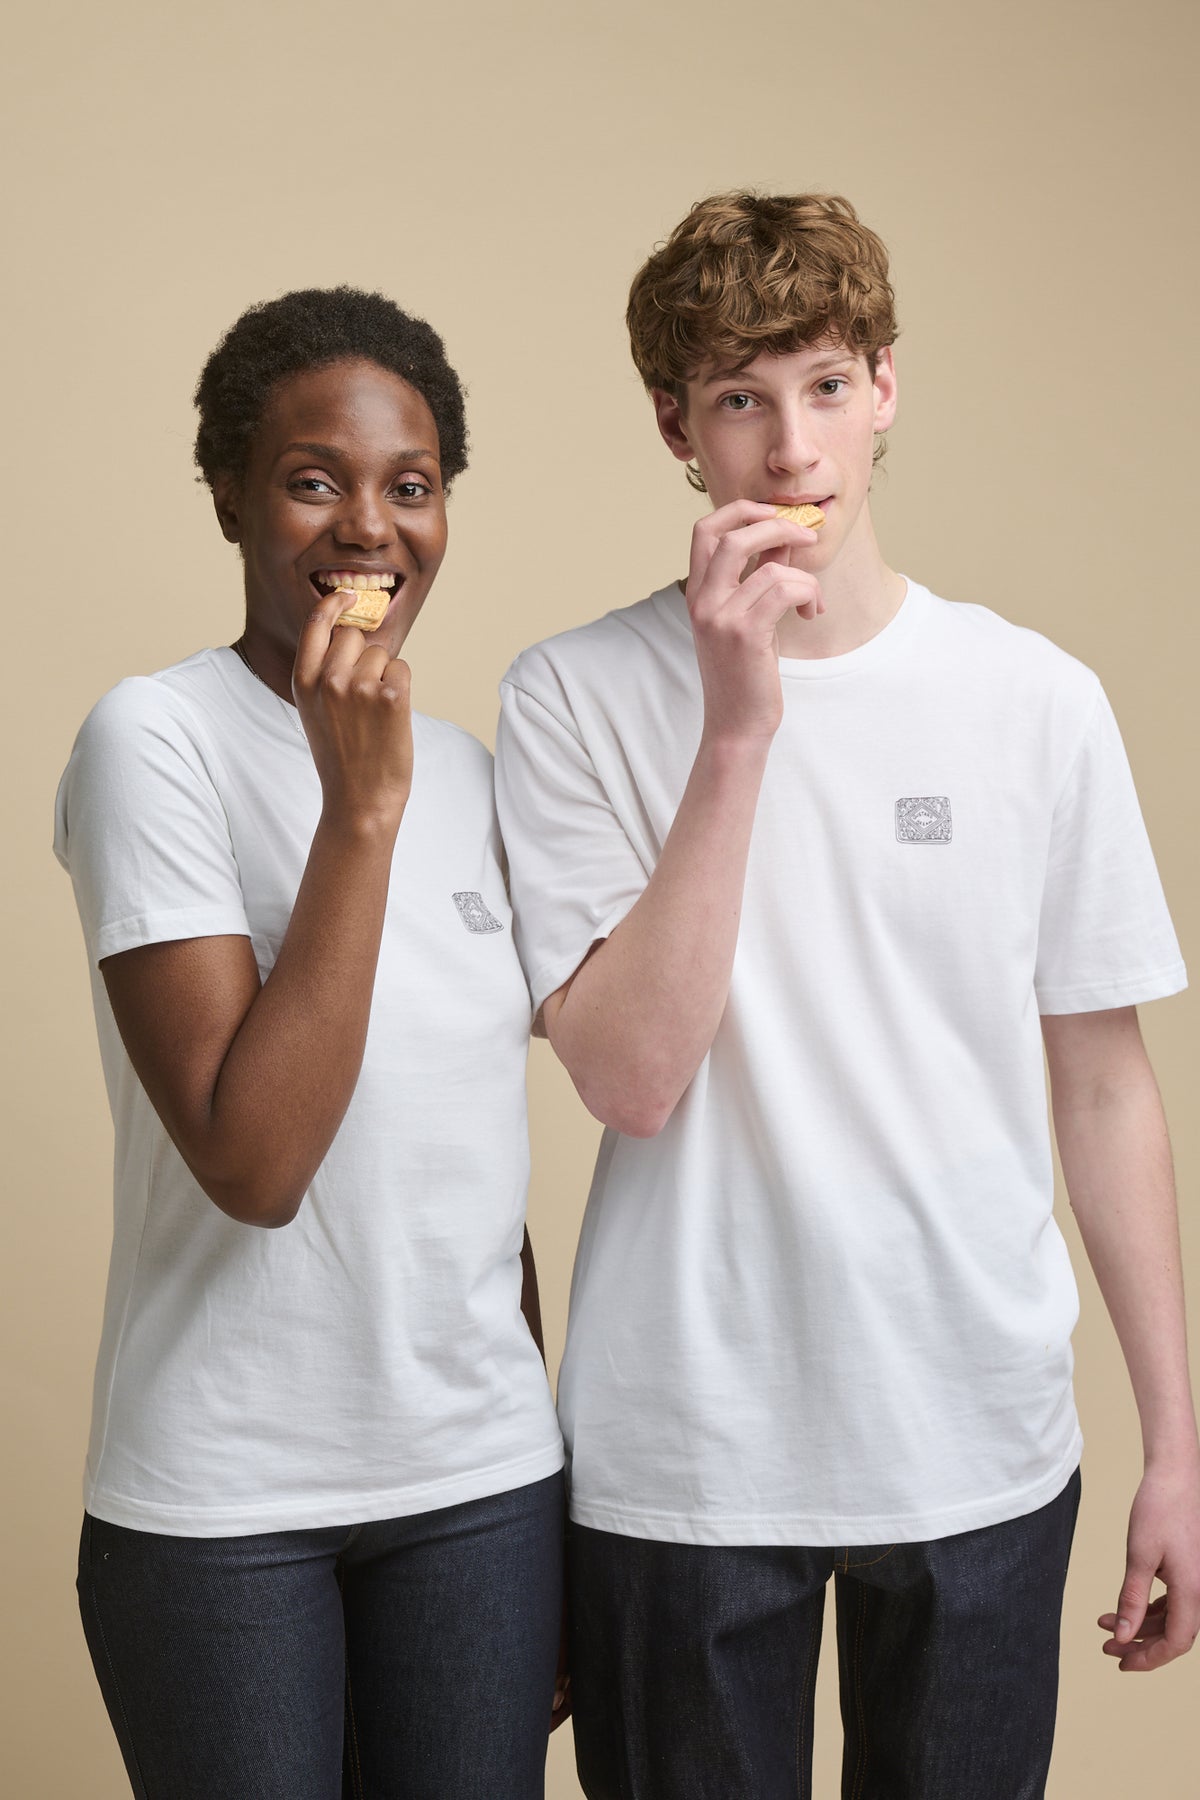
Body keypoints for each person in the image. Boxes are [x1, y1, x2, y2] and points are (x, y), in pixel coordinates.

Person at [494, 194, 1200, 1799]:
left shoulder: (1036, 702)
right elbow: (628, 1078)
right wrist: (738, 726)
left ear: (886, 386)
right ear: (676, 426)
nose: (789, 446)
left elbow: (1104, 1085)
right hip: (683, 1457)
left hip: (980, 1440)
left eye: (823, 383)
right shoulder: (574, 696)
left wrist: (1179, 1445)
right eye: (739, 397)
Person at [55, 287, 565, 1800]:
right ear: (228, 491)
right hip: (227, 1508)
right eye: (313, 479)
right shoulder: (154, 742)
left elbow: (472, 1152)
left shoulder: (472, 770)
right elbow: (256, 1160)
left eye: (411, 486)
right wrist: (358, 813)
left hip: (482, 1493)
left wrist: (545, 1469)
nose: (371, 527)